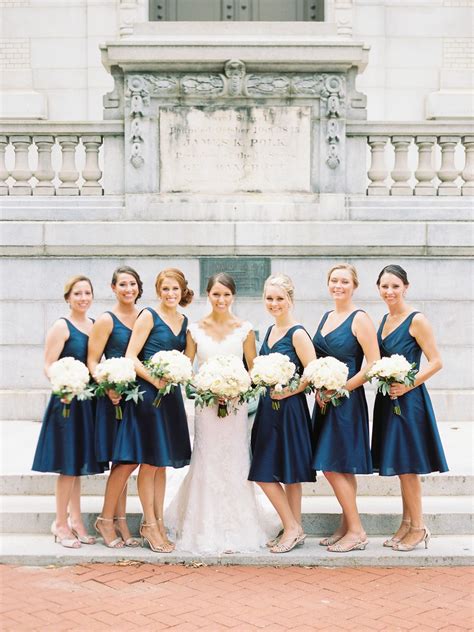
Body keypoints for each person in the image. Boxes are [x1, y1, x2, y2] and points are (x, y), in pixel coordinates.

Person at [166, 273, 275, 554]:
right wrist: (206, 387)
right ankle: (203, 525)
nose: (221, 300)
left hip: (235, 407)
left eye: (226, 295)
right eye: (216, 294)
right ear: (208, 295)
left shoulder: (245, 329)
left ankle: (238, 526)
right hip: (206, 407)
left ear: (233, 297)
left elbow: (254, 371)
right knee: (207, 460)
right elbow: (186, 369)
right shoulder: (195, 329)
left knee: (235, 461)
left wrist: (235, 388)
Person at [371, 264, 448, 551]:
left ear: (406, 287)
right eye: (384, 286)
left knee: (409, 467)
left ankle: (419, 527)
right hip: (387, 401)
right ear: (378, 288)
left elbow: (437, 361)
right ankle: (405, 523)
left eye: (395, 286)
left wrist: (408, 384)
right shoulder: (384, 320)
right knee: (401, 464)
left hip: (409, 399)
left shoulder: (417, 320)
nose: (389, 291)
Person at [116, 268, 193, 553]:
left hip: (170, 396)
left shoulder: (184, 321)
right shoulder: (148, 315)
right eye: (165, 289)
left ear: (182, 291)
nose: (170, 294)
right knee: (149, 463)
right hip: (149, 395)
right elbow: (131, 356)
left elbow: (187, 357)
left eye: (175, 289)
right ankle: (148, 523)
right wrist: (154, 379)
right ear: (158, 291)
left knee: (161, 464)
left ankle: (158, 521)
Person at [312, 264, 379, 553]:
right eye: (334, 280)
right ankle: (346, 525)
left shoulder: (360, 318)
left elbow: (374, 364)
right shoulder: (326, 317)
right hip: (324, 400)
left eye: (344, 281)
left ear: (354, 285)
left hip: (346, 401)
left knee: (330, 465)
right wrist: (318, 386)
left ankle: (358, 531)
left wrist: (340, 389)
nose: (338, 285)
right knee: (339, 466)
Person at [32, 275, 102, 548]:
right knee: (67, 466)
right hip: (66, 402)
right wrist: (64, 383)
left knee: (78, 465)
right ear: (68, 298)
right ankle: (60, 523)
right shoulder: (61, 326)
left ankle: (76, 520)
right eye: (77, 294)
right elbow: (48, 364)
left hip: (88, 403)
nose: (83, 298)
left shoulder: (95, 325)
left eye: (87, 293)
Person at [248, 274, 316, 554]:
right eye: (269, 298)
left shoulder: (297, 333)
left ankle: (292, 527)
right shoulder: (269, 331)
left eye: (279, 298)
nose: (274, 303)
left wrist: (289, 391)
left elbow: (312, 372)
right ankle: (293, 526)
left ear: (290, 300)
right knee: (270, 469)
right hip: (268, 408)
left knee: (284, 473)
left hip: (290, 409)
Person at [87, 266, 143, 548]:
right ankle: (105, 520)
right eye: (123, 284)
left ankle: (120, 521)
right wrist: (108, 386)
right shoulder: (106, 320)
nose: (128, 289)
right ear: (113, 288)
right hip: (114, 398)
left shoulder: (145, 317)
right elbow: (93, 360)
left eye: (132, 284)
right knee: (125, 460)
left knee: (127, 459)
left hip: (137, 399)